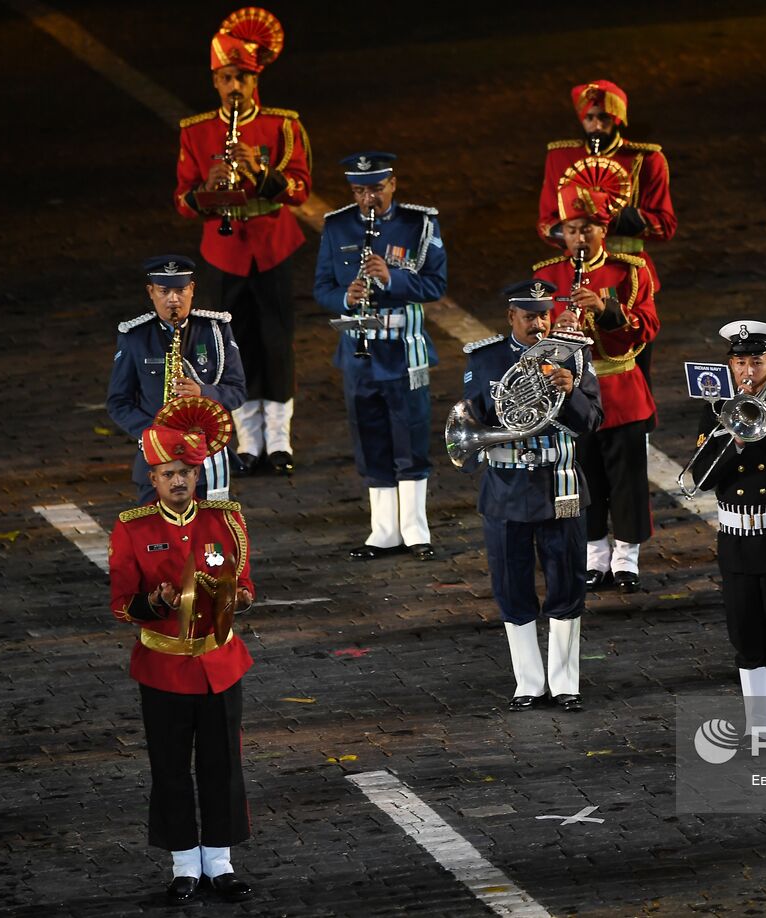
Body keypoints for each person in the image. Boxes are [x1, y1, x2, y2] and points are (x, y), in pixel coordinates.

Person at [107, 397, 256, 903]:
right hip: (165, 670)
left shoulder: (226, 520)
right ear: (152, 479)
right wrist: (154, 601)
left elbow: (245, 582)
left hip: (219, 664)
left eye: (185, 473)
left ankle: (220, 862)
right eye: (167, 473)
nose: (178, 482)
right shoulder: (133, 528)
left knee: (223, 765)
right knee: (170, 769)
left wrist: (241, 597)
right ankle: (183, 866)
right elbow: (122, 604)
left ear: (197, 475)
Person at [175, 7, 311, 476]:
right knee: (234, 347)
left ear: (257, 81)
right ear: (215, 81)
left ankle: (280, 441)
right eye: (228, 78)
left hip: (272, 246)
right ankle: (247, 441)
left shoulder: (283, 125)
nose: (236, 87)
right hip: (223, 252)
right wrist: (207, 187)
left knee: (277, 343)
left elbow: (299, 189)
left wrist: (260, 170)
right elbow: (182, 201)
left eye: (244, 79)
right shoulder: (196, 132)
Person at [458, 281, 603, 712]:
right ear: (511, 318)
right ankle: (528, 682)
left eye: (543, 315)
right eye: (528, 316)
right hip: (505, 491)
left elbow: (592, 420)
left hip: (560, 487)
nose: (538, 324)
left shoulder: (573, 355)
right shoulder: (484, 359)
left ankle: (564, 683)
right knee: (511, 586)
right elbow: (473, 420)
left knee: (567, 584)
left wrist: (569, 391)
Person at [534, 157, 659, 593]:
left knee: (626, 478)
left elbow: (647, 328)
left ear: (603, 229)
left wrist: (606, 310)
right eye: (571, 229)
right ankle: (594, 554)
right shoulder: (546, 276)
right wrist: (554, 331)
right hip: (571, 394)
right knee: (581, 474)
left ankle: (626, 557)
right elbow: (529, 337)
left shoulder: (631, 271)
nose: (579, 238)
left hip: (620, 388)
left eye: (587, 228)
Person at [314, 152, 445, 561]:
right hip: (358, 352)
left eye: (375, 189)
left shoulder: (419, 223)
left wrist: (392, 277)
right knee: (369, 435)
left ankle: (415, 528)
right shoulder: (337, 225)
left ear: (392, 184)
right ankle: (384, 530)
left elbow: (436, 284)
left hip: (405, 349)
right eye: (358, 191)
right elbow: (321, 287)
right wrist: (344, 297)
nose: (367, 198)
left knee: (410, 435)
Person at [689, 321, 766, 727]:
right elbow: (702, 479)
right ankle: (760, 727)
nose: (747, 371)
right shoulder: (715, 412)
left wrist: (763, 423)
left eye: (756, 362)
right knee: (746, 635)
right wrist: (733, 438)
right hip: (737, 539)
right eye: (739, 361)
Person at [538, 79, 675, 385]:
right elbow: (546, 224)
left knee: (633, 355)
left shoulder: (646, 159)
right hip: (577, 269)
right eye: (590, 118)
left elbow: (665, 225)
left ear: (618, 119)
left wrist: (615, 215)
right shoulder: (560, 157)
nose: (597, 125)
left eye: (604, 118)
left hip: (626, 274)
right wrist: (577, 232)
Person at [108, 256, 245, 503]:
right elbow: (119, 403)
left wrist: (203, 393)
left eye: (181, 290)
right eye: (164, 291)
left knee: (210, 539)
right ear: (151, 292)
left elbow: (237, 391)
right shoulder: (135, 337)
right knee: (157, 538)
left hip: (206, 466)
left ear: (192, 289)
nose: (173, 299)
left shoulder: (215, 329)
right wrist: (153, 433)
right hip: (157, 462)